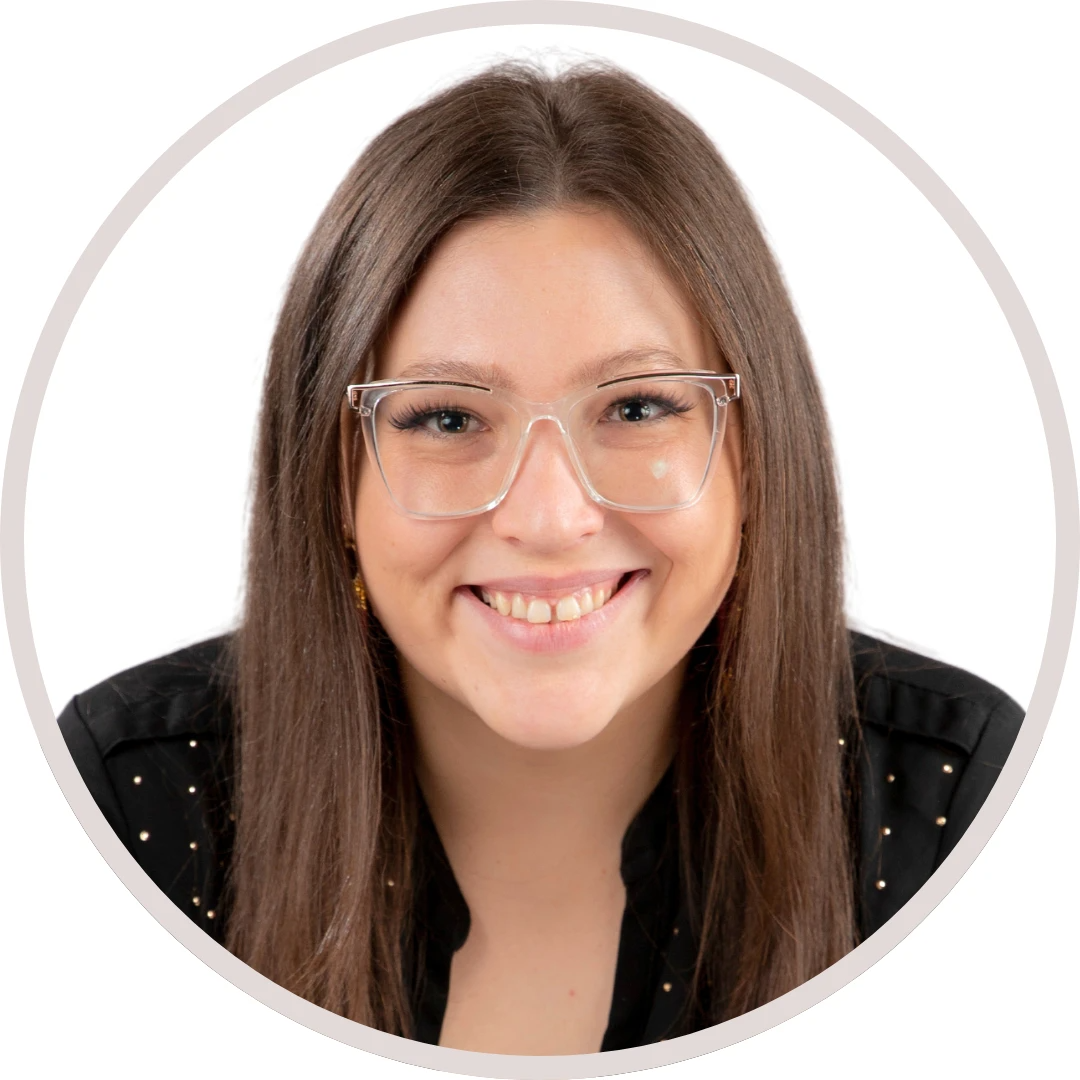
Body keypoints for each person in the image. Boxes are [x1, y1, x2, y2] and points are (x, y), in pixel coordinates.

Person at [57, 60, 1023, 1056]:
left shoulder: (970, 801)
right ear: (333, 474)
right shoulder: (117, 802)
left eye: (637, 407)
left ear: (756, 448)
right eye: (447, 417)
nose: (551, 517)